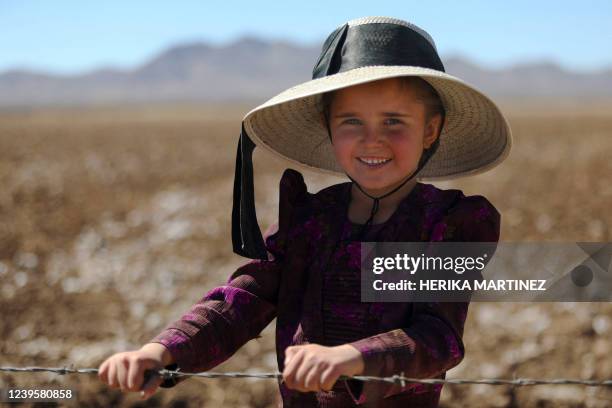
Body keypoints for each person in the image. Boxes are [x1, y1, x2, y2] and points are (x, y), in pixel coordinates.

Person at [98, 16, 511, 407]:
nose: (372, 141)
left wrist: (353, 358)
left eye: (393, 122)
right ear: (328, 128)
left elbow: (439, 337)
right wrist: (163, 350)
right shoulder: (309, 220)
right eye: (352, 122)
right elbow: (242, 301)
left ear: (431, 130)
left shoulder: (447, 223)